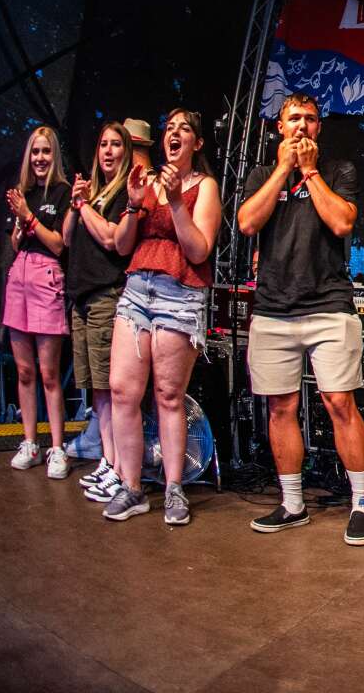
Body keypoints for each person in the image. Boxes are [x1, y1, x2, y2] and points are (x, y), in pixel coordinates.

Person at [238, 93, 364, 545]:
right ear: (279, 128)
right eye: (293, 119)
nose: (301, 126)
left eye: (310, 119)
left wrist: (310, 172)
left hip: (329, 306)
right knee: (281, 407)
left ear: (320, 128)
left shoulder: (339, 171)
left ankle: (362, 503)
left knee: (339, 403)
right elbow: (246, 223)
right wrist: (282, 171)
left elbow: (341, 223)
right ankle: (293, 503)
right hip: (273, 309)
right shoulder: (262, 174)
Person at [104, 110, 221, 525]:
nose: (174, 134)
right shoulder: (147, 182)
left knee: (168, 395)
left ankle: (174, 489)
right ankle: (131, 487)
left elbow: (199, 251)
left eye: (184, 129)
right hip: (137, 289)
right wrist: (135, 207)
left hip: (178, 292)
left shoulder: (204, 186)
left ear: (197, 143)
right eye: (169, 128)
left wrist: (173, 201)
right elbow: (121, 247)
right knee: (122, 391)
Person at [61, 122, 133, 501]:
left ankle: (121, 466)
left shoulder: (123, 193)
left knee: (110, 387)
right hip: (81, 298)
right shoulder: (93, 191)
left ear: (126, 151)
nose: (107, 151)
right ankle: (108, 459)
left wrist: (85, 205)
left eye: (115, 144)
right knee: (97, 393)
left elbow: (111, 239)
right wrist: (77, 204)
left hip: (107, 295)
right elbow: (68, 239)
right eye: (102, 144)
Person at [3, 126, 72, 477]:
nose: (40, 158)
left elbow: (59, 244)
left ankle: (57, 448)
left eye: (45, 151)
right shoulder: (23, 192)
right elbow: (17, 244)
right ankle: (29, 442)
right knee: (25, 370)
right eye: (35, 152)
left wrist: (29, 215)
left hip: (47, 278)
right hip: (20, 276)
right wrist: (20, 220)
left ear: (54, 155)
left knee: (48, 372)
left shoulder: (60, 193)